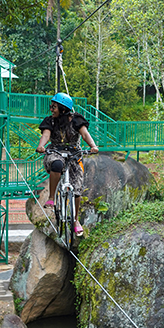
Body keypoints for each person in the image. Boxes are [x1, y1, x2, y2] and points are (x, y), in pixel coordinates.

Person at [35, 92, 99, 237]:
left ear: (63, 109)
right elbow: (46, 135)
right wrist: (41, 146)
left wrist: (93, 146)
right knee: (56, 165)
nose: (51, 109)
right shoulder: (50, 121)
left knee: (77, 189)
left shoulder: (76, 120)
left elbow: (84, 134)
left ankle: (76, 220)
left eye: (54, 107)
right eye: (51, 106)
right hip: (55, 152)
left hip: (74, 154)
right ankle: (52, 197)